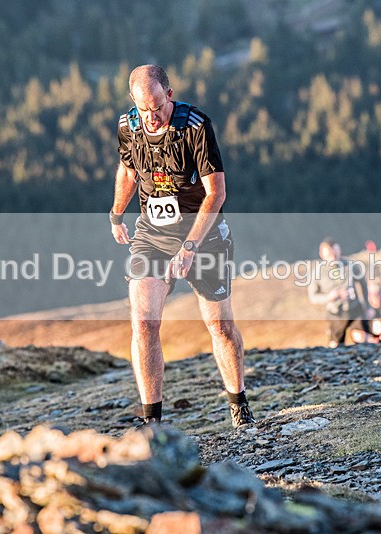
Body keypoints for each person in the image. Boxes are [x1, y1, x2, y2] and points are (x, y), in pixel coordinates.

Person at [109, 65, 254, 429]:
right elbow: (127, 170)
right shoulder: (128, 127)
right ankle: (151, 423)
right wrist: (116, 214)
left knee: (219, 325)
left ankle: (238, 404)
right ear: (133, 101)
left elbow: (216, 192)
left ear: (169, 94)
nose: (152, 116)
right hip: (152, 236)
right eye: (145, 108)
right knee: (144, 322)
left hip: (202, 235)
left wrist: (189, 246)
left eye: (158, 106)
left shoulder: (195, 127)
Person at [307, 238, 369, 348]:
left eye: (336, 253)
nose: (334, 256)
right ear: (322, 255)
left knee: (361, 338)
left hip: (355, 309)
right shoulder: (318, 272)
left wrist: (367, 306)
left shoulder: (351, 265)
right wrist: (330, 297)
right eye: (330, 254)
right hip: (336, 313)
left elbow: (364, 284)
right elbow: (313, 297)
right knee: (335, 346)